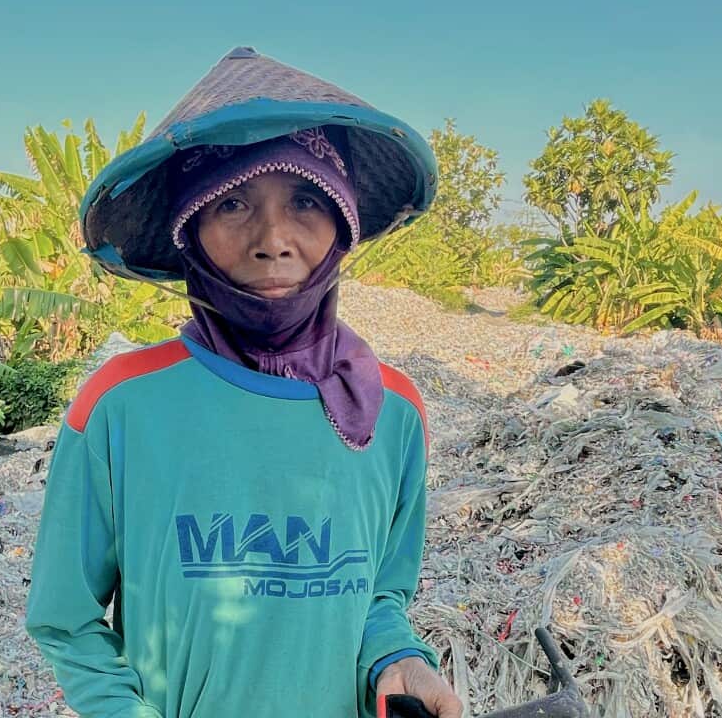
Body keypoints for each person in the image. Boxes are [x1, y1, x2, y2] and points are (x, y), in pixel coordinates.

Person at [25, 47, 463, 718]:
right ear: (188, 230)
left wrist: (398, 660)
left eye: (308, 200)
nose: (273, 240)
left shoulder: (394, 412)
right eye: (231, 204)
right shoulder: (119, 404)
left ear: (343, 224)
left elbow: (381, 598)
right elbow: (66, 620)